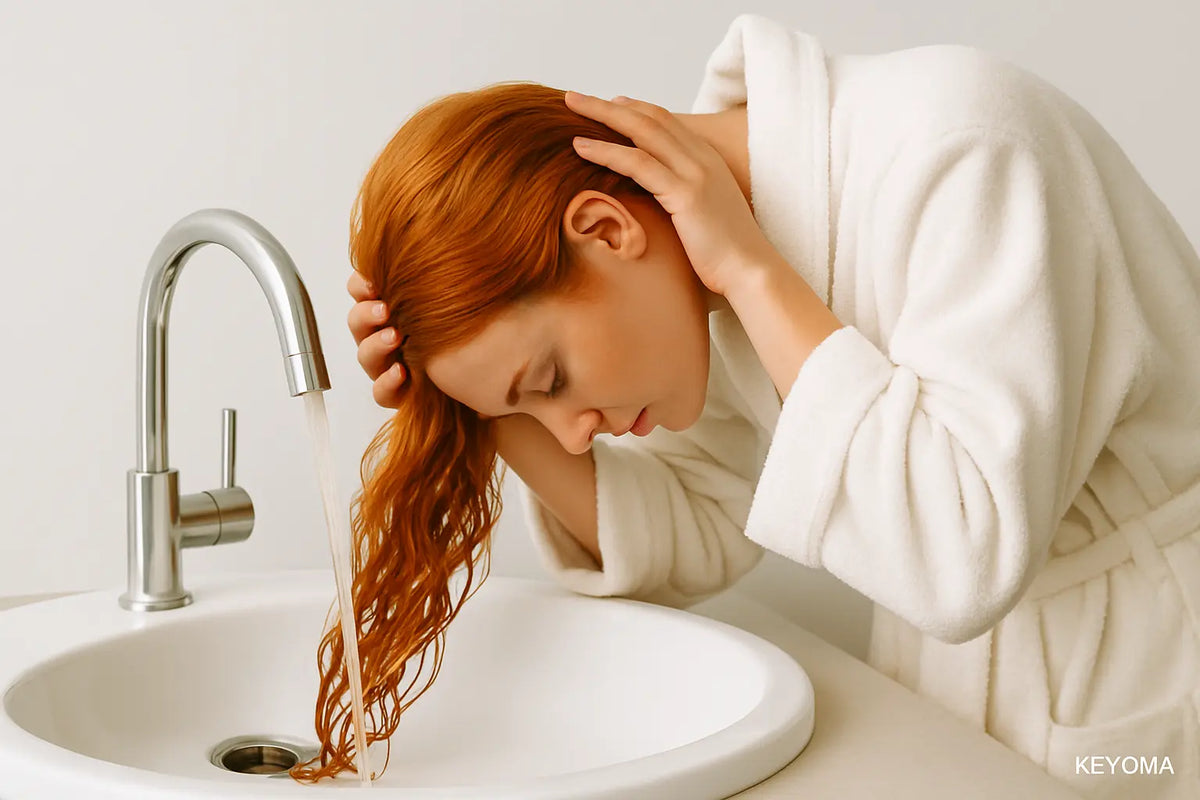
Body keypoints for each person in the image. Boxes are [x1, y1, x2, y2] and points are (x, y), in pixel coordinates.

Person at [330, 13, 1199, 798]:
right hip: (956, 694)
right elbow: (695, 531)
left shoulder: (964, 147)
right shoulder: (713, 266)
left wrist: (753, 273)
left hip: (1148, 677)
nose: (572, 431)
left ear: (605, 229)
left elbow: (959, 553)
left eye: (550, 381)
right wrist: (488, 414)